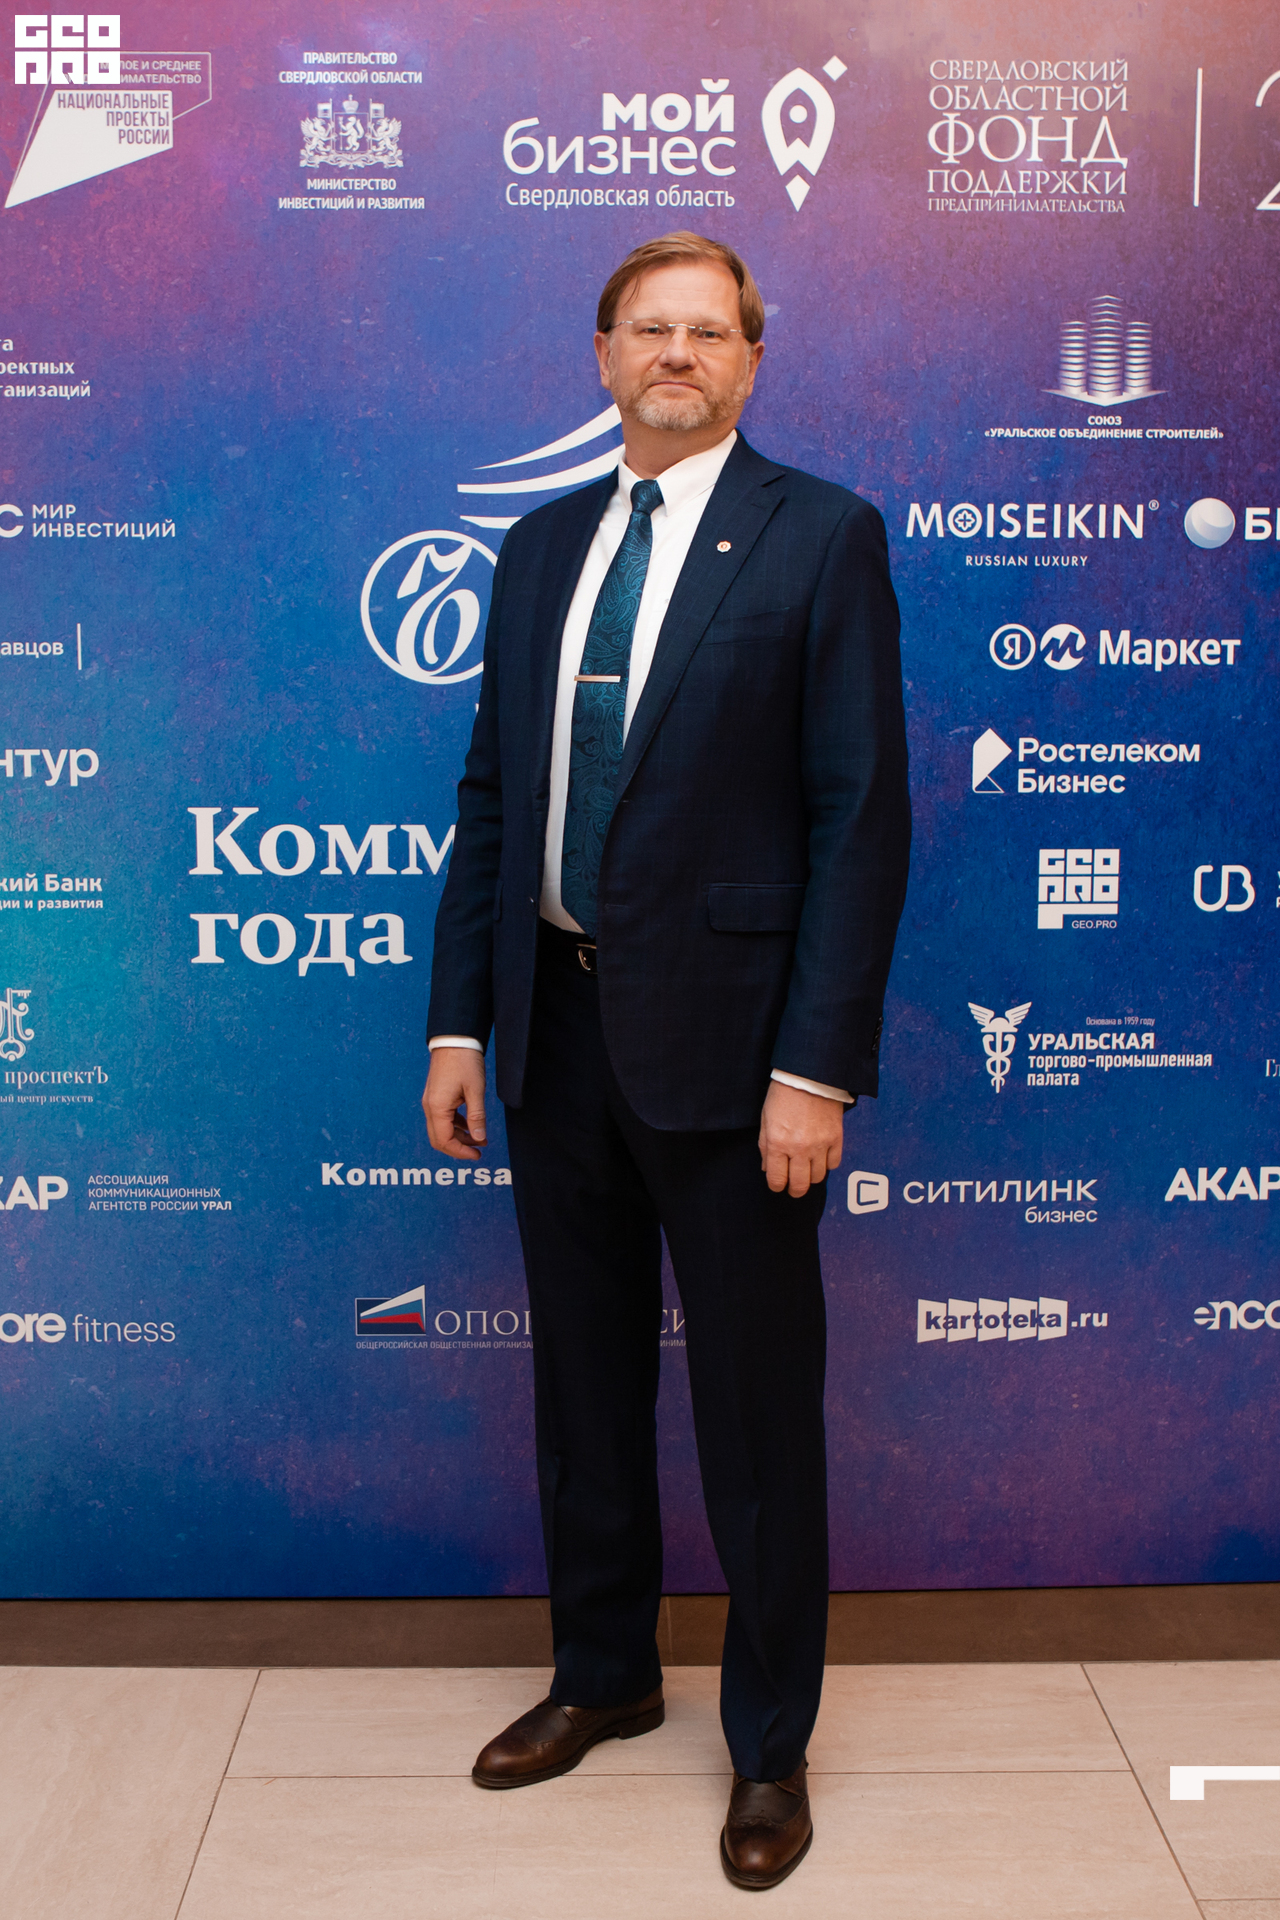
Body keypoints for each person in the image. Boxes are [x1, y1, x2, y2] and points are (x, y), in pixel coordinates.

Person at [423, 231, 910, 1890]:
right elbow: (495, 798)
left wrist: (815, 1070)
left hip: (737, 1056)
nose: (678, 353)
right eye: (651, 328)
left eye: (709, 330)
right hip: (553, 1034)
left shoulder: (822, 537)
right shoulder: (540, 545)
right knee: (583, 1389)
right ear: (604, 355)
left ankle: (768, 1747)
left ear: (752, 359)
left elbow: (860, 820)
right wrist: (462, 1018)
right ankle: (605, 1675)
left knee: (756, 1415)